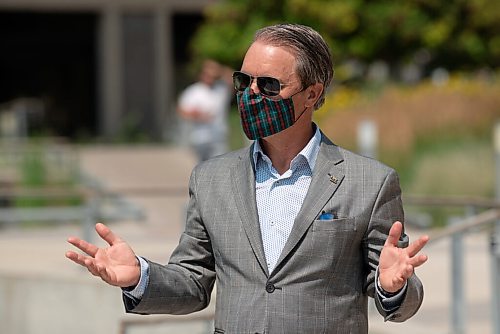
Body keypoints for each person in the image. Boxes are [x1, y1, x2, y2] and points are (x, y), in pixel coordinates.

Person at [66, 23, 429, 333]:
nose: (251, 94)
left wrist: (392, 286)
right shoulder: (211, 179)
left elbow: (399, 299)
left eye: (269, 85)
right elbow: (193, 282)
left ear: (312, 94)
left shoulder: (369, 181)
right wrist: (139, 276)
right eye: (244, 81)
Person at [177, 59, 232, 162]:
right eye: (207, 73)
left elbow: (231, 77)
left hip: (218, 137)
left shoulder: (221, 89)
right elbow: (182, 111)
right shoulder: (194, 91)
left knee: (220, 168)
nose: (209, 77)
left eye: (211, 74)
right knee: (203, 169)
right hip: (200, 137)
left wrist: (218, 69)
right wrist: (197, 115)